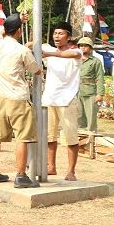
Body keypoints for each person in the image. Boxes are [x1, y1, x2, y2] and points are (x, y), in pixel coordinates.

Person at [0, 13, 42, 188]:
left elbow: (1, 35)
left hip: (1, 97)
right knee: (23, 138)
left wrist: (17, 21)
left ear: (5, 29)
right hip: (18, 98)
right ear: (19, 31)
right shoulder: (22, 50)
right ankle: (21, 175)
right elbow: (36, 70)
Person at [41, 21, 83, 181]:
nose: (57, 36)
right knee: (50, 137)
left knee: (71, 137)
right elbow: (30, 44)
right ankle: (51, 167)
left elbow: (71, 55)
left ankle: (71, 171)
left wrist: (49, 53)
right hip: (50, 99)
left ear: (69, 37)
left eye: (61, 34)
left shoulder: (76, 51)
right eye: (55, 33)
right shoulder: (49, 49)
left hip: (67, 100)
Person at [76, 37, 104, 132]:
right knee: (78, 117)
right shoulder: (75, 60)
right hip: (76, 91)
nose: (83, 47)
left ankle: (90, 142)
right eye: (81, 45)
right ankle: (80, 142)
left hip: (90, 92)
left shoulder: (95, 61)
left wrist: (100, 94)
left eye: (85, 46)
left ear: (91, 48)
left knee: (91, 117)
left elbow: (100, 77)